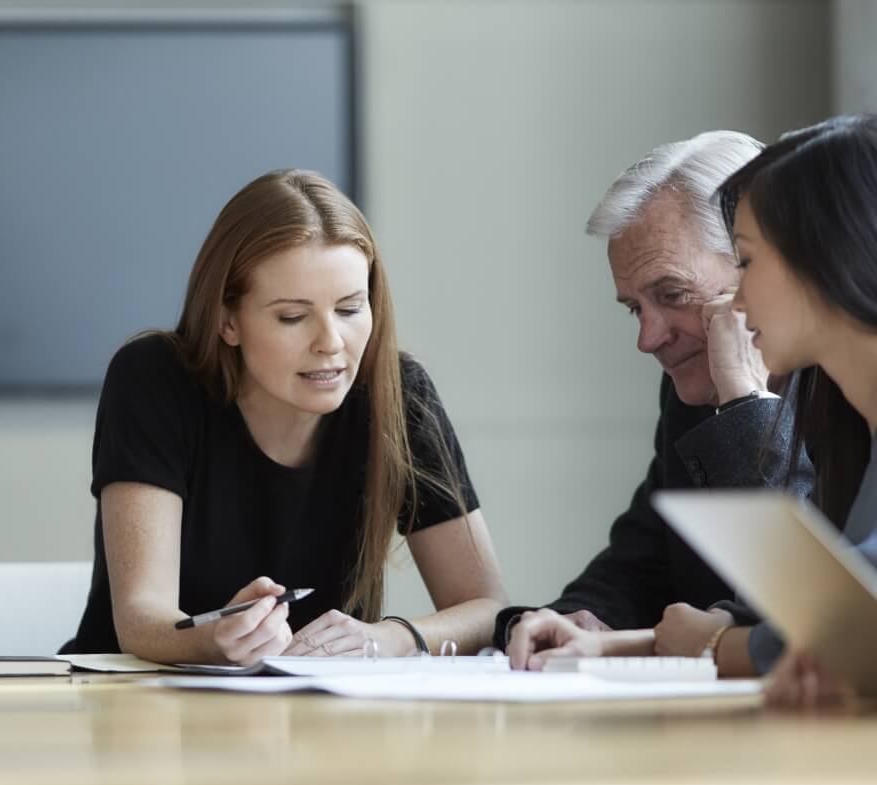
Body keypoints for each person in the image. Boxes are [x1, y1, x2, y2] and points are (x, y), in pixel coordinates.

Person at [61, 169, 507, 665]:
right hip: (134, 708)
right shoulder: (154, 379)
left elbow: (486, 608)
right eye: (292, 317)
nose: (331, 343)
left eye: (350, 309)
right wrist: (211, 640)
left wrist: (392, 637)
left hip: (320, 719)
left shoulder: (400, 394)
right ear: (227, 320)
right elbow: (141, 619)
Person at [508, 114, 877, 701]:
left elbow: (814, 611)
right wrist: (581, 622)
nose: (648, 338)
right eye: (634, 308)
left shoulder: (850, 384)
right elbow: (647, 552)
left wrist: (745, 406)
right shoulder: (693, 387)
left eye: (673, 295)